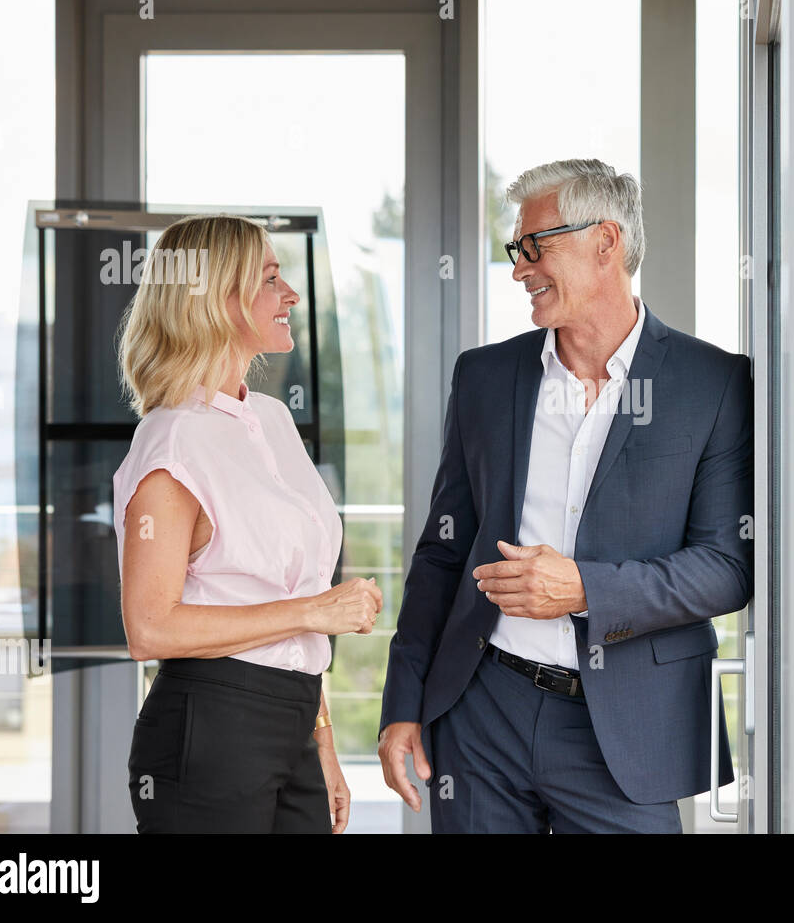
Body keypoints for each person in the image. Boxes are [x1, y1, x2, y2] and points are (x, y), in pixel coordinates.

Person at [378, 159, 754, 832]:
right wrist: (402, 704)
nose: (520, 268)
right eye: (515, 251)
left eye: (534, 247)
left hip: (629, 728)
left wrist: (584, 588)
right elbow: (441, 555)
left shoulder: (716, 384)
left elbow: (727, 567)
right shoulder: (486, 377)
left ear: (605, 243)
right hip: (481, 710)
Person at [113, 214, 382, 833]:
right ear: (215, 299)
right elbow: (149, 628)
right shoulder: (173, 441)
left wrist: (322, 742)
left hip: (292, 719)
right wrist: (313, 612)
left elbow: (289, 610)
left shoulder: (270, 419)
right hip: (212, 723)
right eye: (269, 278)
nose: (289, 294)